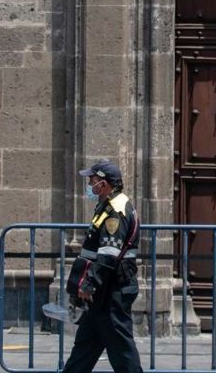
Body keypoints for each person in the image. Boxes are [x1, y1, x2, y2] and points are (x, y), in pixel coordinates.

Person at [62, 159, 142, 373]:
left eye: (93, 180)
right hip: (103, 292)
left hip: (112, 291)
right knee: (84, 349)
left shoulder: (115, 210)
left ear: (104, 184)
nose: (90, 184)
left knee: (122, 353)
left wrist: (89, 285)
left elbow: (108, 255)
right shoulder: (107, 205)